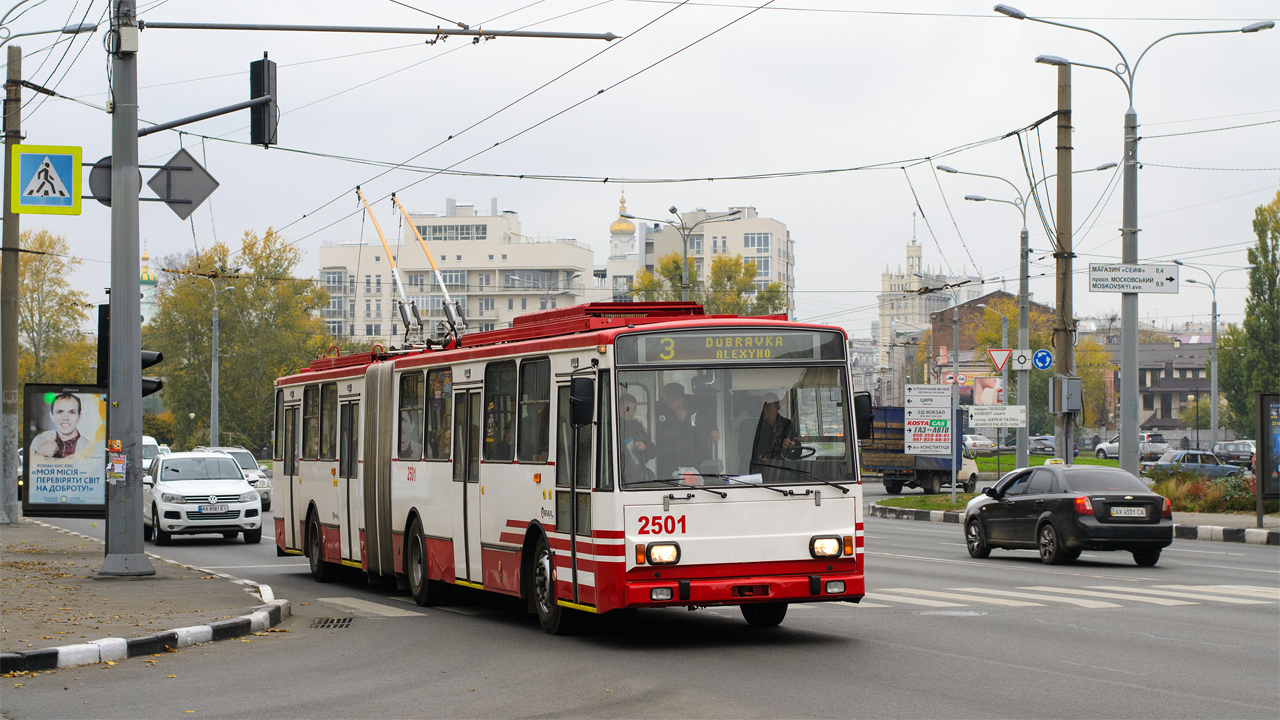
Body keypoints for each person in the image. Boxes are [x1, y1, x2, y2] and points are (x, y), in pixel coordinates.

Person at [653, 383, 700, 480]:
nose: (679, 403)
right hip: (666, 461)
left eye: (681, 399)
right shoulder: (656, 410)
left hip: (686, 457)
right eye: (676, 399)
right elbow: (662, 437)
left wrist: (711, 428)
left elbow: (706, 401)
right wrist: (678, 421)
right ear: (666, 398)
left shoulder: (685, 405)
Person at [749, 392, 799, 478]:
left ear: (777, 408)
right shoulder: (754, 426)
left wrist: (792, 446)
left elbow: (798, 452)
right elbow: (743, 452)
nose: (764, 409)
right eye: (762, 406)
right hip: (761, 473)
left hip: (783, 472)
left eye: (767, 406)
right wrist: (758, 459)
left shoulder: (787, 424)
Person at [30, 393, 91, 459]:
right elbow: (27, 466)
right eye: (60, 412)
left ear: (79, 417)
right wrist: (39, 452)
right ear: (52, 416)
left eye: (72, 412)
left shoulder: (88, 447)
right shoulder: (40, 440)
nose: (65, 418)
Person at [619, 393, 653, 483]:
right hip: (618, 474)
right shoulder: (609, 425)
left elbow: (653, 451)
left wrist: (645, 446)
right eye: (627, 409)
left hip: (637, 475)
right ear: (618, 406)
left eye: (634, 409)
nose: (631, 413)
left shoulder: (637, 425)